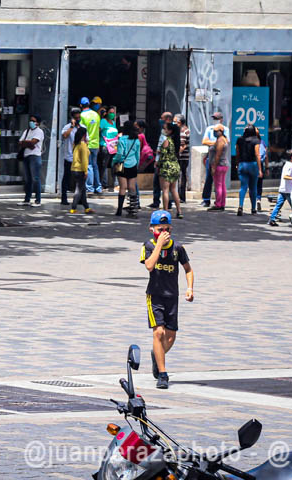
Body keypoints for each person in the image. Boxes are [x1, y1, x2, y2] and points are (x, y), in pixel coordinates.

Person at [141, 210, 194, 390]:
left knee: (170, 337)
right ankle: (163, 374)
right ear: (152, 229)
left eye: (166, 229)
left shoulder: (178, 248)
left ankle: (157, 355)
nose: (163, 233)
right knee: (158, 333)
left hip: (172, 296)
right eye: (159, 229)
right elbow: (149, 265)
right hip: (155, 296)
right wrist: (159, 246)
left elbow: (188, 269)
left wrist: (190, 288)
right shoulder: (148, 246)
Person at [112, 122, 142, 216]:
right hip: (133, 165)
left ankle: (119, 210)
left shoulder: (121, 140)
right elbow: (138, 155)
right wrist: (137, 164)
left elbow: (120, 154)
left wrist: (114, 161)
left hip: (122, 165)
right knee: (132, 188)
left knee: (123, 187)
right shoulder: (136, 140)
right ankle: (133, 210)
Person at [236, 124, 264, 216]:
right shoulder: (256, 140)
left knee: (243, 187)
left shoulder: (239, 140)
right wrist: (260, 169)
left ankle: (240, 206)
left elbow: (237, 153)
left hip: (242, 164)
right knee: (253, 187)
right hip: (253, 164)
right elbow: (257, 154)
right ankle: (253, 208)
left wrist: (237, 163)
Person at [157, 121, 182, 219]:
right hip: (175, 166)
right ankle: (179, 210)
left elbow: (162, 155)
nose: (164, 130)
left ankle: (166, 211)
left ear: (170, 131)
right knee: (173, 189)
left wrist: (158, 164)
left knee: (165, 190)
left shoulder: (167, 141)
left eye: (166, 129)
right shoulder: (176, 141)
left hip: (166, 166)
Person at [200, 110, 225, 207]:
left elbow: (226, 142)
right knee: (208, 178)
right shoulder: (209, 129)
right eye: (214, 118)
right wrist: (216, 143)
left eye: (217, 118)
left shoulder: (225, 129)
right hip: (210, 156)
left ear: (221, 120)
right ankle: (206, 199)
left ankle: (220, 202)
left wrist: (215, 144)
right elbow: (204, 141)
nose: (215, 120)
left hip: (220, 158)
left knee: (219, 182)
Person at [18, 114, 44, 206]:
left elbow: (34, 142)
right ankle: (27, 199)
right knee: (28, 179)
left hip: (35, 156)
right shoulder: (27, 131)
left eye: (33, 121)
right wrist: (28, 143)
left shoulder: (39, 132)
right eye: (30, 120)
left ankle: (38, 200)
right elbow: (20, 142)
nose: (31, 122)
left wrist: (28, 143)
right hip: (26, 156)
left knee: (35, 178)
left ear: (37, 123)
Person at [268, 148, 292, 227]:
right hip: (288, 190)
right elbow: (285, 176)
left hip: (283, 188)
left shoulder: (287, 164)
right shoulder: (289, 165)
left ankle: (272, 219)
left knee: (278, 205)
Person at [79, 98, 102, 194]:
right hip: (95, 144)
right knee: (95, 165)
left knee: (89, 166)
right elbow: (99, 129)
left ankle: (90, 188)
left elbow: (81, 131)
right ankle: (98, 187)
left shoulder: (82, 116)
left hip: (87, 144)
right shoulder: (96, 115)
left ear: (81, 105)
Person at [150, 111, 173, 209]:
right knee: (158, 183)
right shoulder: (163, 130)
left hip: (164, 161)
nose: (160, 120)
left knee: (166, 185)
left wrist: (159, 160)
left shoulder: (170, 131)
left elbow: (163, 149)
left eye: (162, 118)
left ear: (167, 119)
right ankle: (157, 201)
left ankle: (167, 204)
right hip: (162, 160)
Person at [206, 122, 230, 211]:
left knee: (218, 185)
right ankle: (222, 203)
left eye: (216, 131)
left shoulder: (220, 140)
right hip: (223, 165)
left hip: (219, 165)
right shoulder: (222, 139)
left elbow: (218, 155)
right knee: (222, 185)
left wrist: (214, 167)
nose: (214, 132)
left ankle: (218, 204)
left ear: (221, 131)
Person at [60, 109, 80, 206]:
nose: (77, 119)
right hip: (69, 156)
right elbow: (64, 135)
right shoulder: (67, 127)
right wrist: (72, 127)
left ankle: (80, 198)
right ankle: (64, 198)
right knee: (66, 177)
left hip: (79, 158)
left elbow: (87, 140)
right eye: (76, 117)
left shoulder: (82, 127)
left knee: (79, 179)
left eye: (78, 117)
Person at [69, 125, 91, 214]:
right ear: (84, 135)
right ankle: (73, 208)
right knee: (78, 190)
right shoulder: (83, 145)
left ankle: (87, 208)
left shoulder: (76, 144)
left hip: (74, 169)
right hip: (80, 170)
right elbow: (85, 160)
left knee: (82, 189)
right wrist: (86, 171)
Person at [99, 107, 119, 189]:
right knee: (104, 165)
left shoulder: (114, 123)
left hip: (114, 146)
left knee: (115, 164)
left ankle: (116, 183)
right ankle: (104, 184)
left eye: (113, 113)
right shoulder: (103, 121)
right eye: (110, 112)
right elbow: (98, 131)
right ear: (106, 113)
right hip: (105, 146)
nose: (112, 114)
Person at [175, 115, 191, 203]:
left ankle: (180, 196)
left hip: (181, 157)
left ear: (180, 122)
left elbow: (182, 145)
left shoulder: (182, 131)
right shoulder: (187, 130)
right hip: (185, 157)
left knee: (180, 176)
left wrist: (177, 155)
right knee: (183, 176)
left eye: (175, 122)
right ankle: (181, 196)